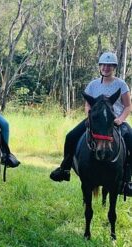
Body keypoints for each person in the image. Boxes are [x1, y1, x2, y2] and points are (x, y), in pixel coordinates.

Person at [50, 51, 132, 196]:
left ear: (114, 67)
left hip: (115, 121)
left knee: (131, 139)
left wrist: (120, 119)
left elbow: (128, 106)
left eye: (109, 65)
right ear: (100, 66)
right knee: (70, 136)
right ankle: (65, 169)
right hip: (95, 121)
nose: (106, 68)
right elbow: (88, 104)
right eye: (103, 65)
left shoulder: (121, 84)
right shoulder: (93, 85)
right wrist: (89, 116)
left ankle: (127, 181)